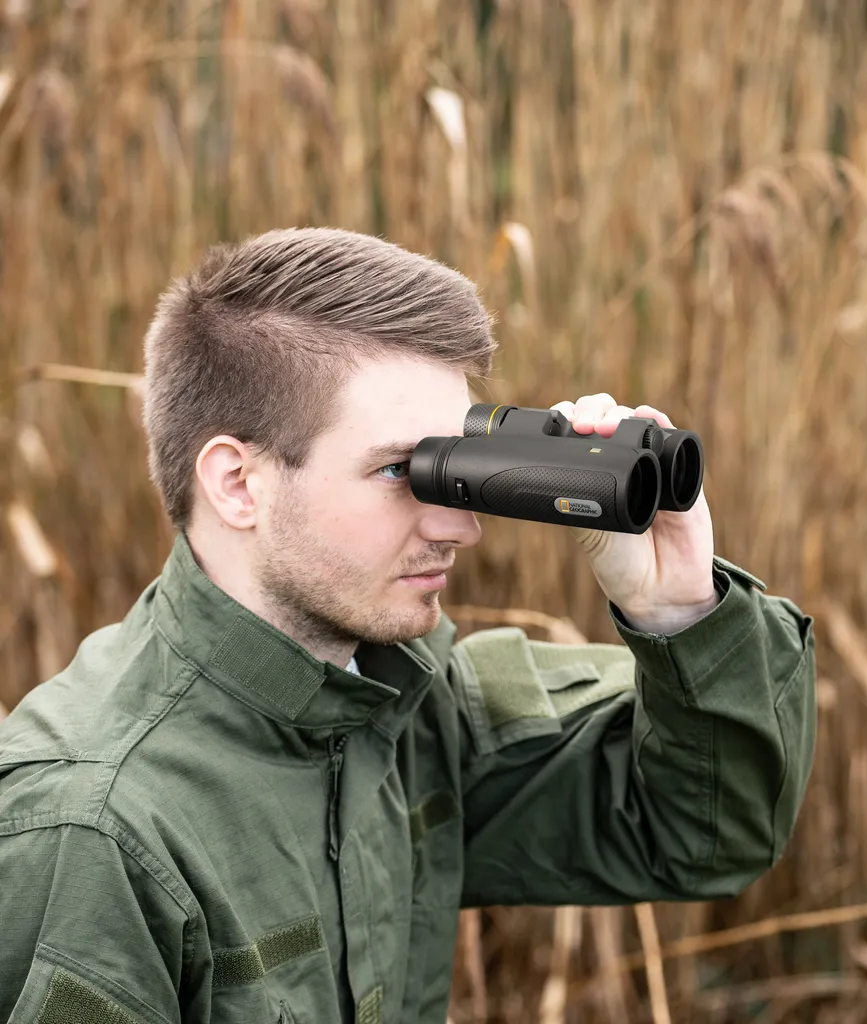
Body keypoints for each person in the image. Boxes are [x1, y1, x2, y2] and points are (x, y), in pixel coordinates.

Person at [0, 228, 816, 1024]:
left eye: (457, 468)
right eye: (400, 469)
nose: (461, 527)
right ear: (238, 484)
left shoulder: (404, 700)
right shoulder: (96, 829)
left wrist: (676, 607)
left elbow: (707, 831)